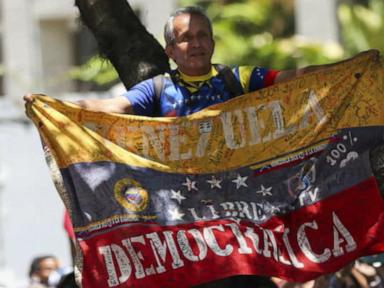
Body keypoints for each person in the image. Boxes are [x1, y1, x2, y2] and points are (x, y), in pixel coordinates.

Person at [24, 5, 366, 288]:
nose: (196, 43)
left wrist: (347, 68)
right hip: (184, 233)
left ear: (213, 43)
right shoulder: (156, 89)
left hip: (241, 227)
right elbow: (114, 109)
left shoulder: (237, 79)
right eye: (186, 38)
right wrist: (53, 106)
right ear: (170, 50)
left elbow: (293, 79)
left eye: (203, 36)